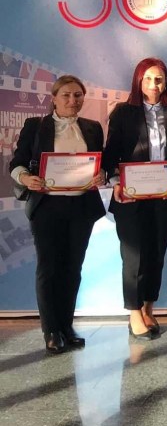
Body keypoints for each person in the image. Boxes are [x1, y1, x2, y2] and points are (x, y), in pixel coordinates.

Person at [10, 75, 106, 354]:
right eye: (66, 95)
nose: (72, 100)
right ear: (53, 98)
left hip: (81, 208)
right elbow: (16, 163)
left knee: (73, 269)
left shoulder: (92, 128)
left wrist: (101, 174)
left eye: (77, 95)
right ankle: (51, 330)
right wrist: (26, 178)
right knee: (49, 268)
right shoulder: (36, 126)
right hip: (47, 208)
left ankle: (66, 326)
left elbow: (100, 162)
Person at [103, 58, 167, 341]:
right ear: (139, 81)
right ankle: (134, 312)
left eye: (159, 79)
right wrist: (116, 183)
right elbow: (110, 155)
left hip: (166, 196)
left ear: (166, 83)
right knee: (134, 256)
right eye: (148, 78)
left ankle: (149, 307)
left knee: (156, 254)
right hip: (130, 197)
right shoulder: (123, 112)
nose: (154, 84)